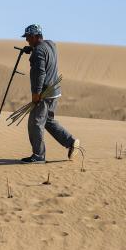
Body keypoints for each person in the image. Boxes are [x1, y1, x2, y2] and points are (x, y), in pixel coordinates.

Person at [20, 24, 80, 163]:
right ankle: (71, 142)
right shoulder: (51, 44)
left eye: (29, 37)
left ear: (35, 36)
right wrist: (32, 48)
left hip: (44, 94)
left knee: (35, 123)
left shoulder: (38, 52)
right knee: (48, 121)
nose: (27, 40)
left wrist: (36, 93)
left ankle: (38, 156)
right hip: (54, 91)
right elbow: (43, 52)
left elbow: (40, 73)